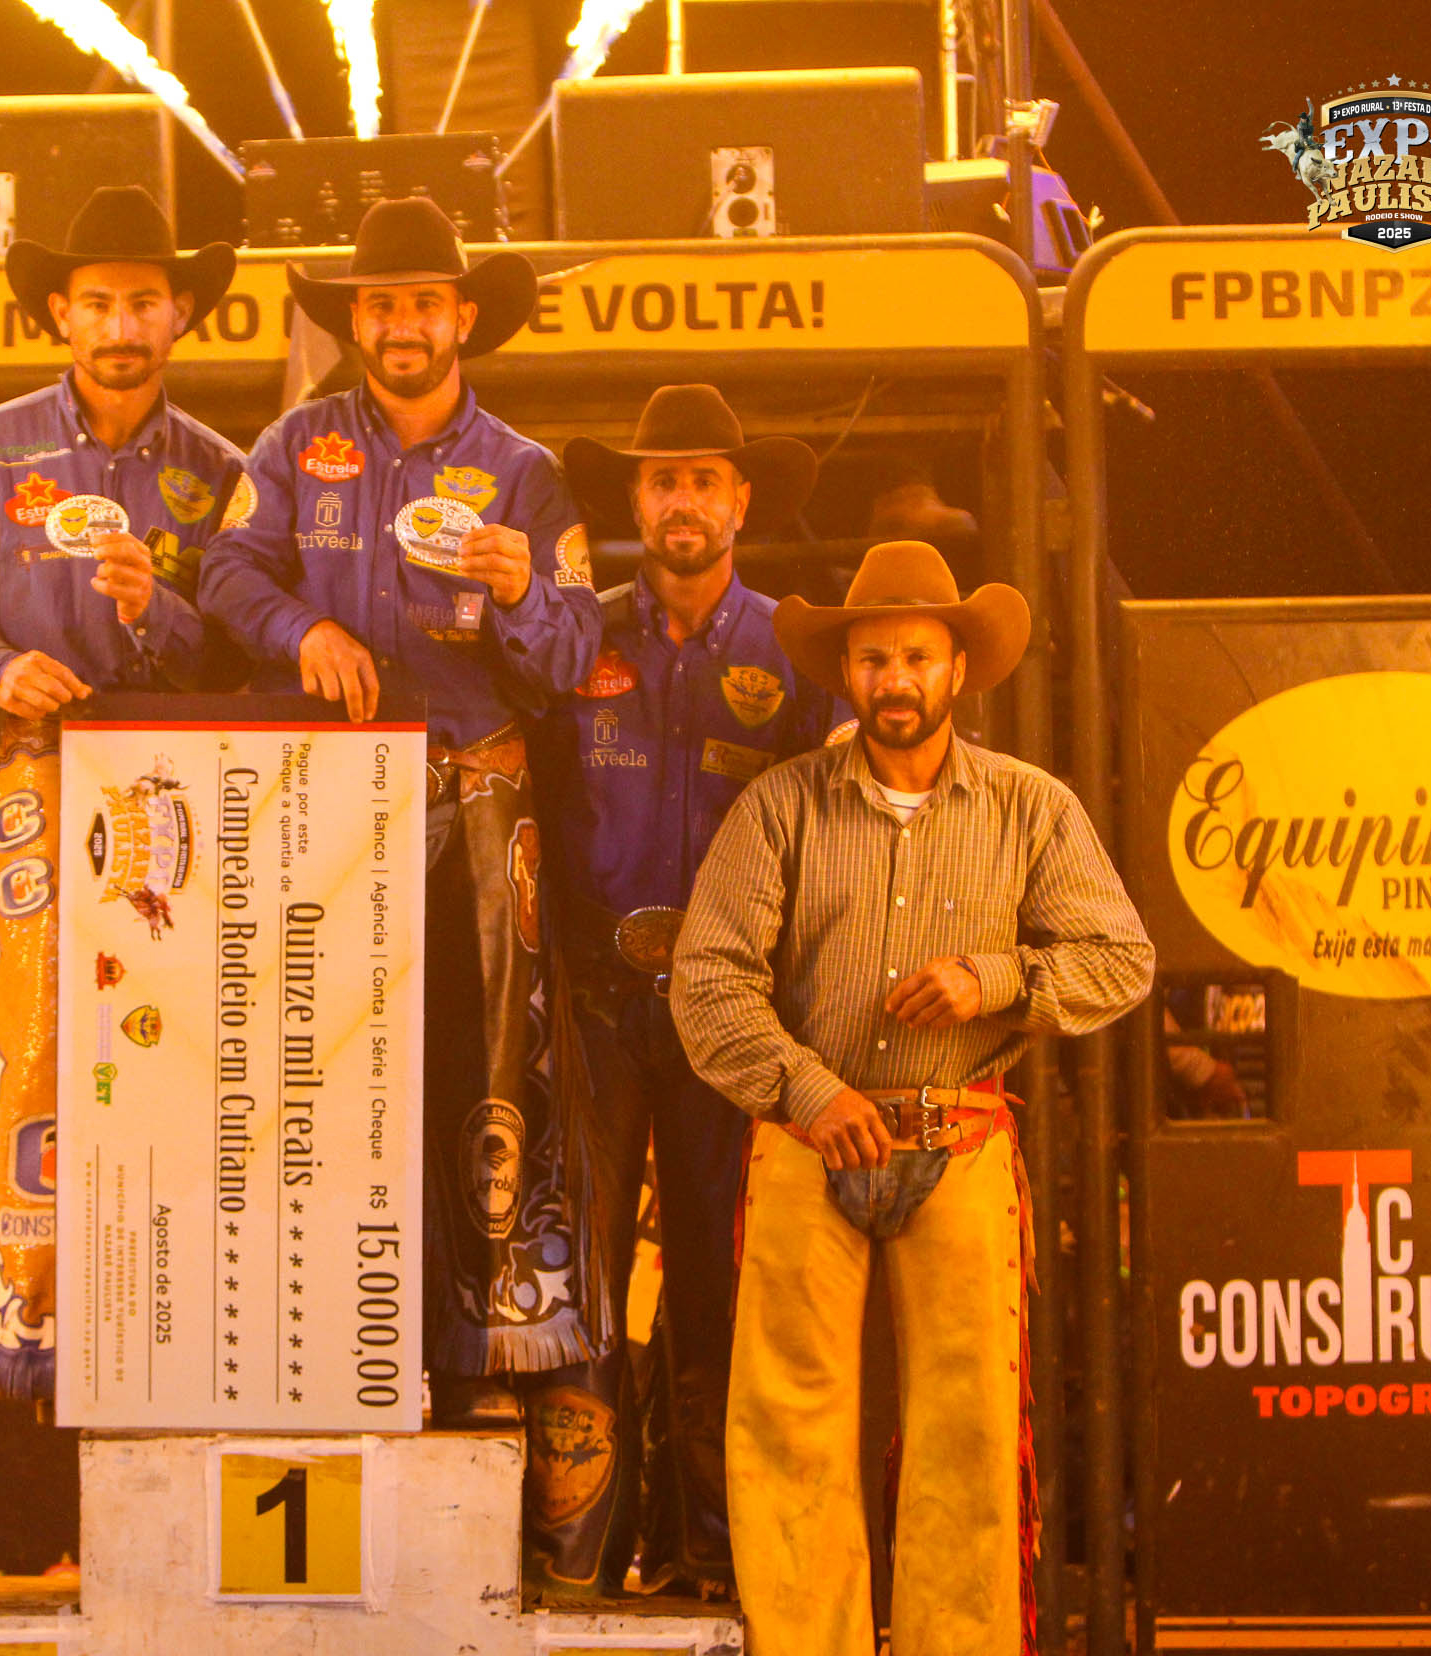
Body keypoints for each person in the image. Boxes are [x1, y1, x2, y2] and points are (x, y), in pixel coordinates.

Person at [198, 194, 608, 1588]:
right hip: (329, 801)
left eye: (425, 299)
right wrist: (300, 623)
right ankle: (337, 1350)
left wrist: (512, 595)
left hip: (482, 793)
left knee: (488, 1072)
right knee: (328, 1074)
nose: (403, 323)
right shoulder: (289, 448)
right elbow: (225, 569)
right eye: (379, 303)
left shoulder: (529, 474)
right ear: (353, 318)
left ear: (464, 313)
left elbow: (572, 653)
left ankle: (489, 1355)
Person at [669, 539, 1153, 1653]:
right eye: (876, 657)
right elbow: (708, 977)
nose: (897, 679)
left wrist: (1001, 978)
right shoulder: (781, 807)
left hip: (962, 1132)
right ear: (851, 673)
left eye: (918, 658)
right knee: (790, 1420)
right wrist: (807, 1086)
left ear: (958, 672)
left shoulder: (1030, 810)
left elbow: (1120, 959)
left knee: (969, 1426)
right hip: (809, 1137)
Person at [0, 184, 244, 1398]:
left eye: (143, 300)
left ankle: (191, 1306)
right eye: (96, 299)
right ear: (59, 311)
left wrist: (166, 619)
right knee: (36, 1038)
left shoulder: (224, 471)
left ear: (181, 316)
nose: (120, 322)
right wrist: (0, 668)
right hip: (38, 770)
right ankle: (35, 1315)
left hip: (181, 782)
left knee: (186, 1056)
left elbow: (249, 647)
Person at [537, 384, 834, 1598]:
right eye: (663, 480)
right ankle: (583, 1553)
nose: (683, 501)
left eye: (705, 479)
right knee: (586, 1283)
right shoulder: (573, 637)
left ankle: (714, 1551)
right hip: (599, 1004)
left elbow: (837, 827)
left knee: (721, 1281)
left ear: (740, 500)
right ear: (635, 500)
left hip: (735, 1014)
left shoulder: (796, 646)